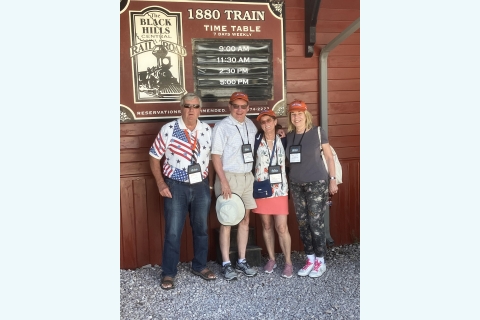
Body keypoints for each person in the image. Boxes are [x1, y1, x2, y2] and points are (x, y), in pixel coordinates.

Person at [149, 92, 216, 290]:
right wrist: (161, 184)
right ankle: (168, 273)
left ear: (200, 109)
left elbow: (211, 159)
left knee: (201, 229)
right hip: (175, 186)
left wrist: (210, 185)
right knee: (173, 232)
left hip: (201, 185)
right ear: (181, 107)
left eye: (195, 106)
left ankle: (200, 266)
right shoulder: (169, 129)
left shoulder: (206, 130)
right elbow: (154, 156)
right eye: (187, 106)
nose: (191, 110)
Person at [285, 99, 338, 278]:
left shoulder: (317, 132)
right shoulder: (289, 135)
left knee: (316, 223)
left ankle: (320, 261)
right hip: (296, 184)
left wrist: (333, 180)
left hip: (317, 182)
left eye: (299, 113)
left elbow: (329, 158)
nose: (296, 116)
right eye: (293, 114)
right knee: (302, 223)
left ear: (306, 114)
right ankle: (310, 258)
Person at [211, 92, 259, 280]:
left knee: (245, 220)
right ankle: (225, 263)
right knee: (227, 220)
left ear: (248, 107)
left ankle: (241, 259)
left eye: (243, 106)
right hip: (229, 177)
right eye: (236, 106)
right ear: (229, 107)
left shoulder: (250, 125)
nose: (240, 110)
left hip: (248, 176)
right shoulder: (222, 127)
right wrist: (223, 182)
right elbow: (215, 156)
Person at [252, 110, 293, 278]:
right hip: (262, 188)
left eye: (269, 120)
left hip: (280, 189)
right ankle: (271, 258)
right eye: (263, 122)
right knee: (267, 225)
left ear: (275, 121)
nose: (266, 124)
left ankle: (288, 262)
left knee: (281, 227)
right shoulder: (255, 140)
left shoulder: (284, 139)